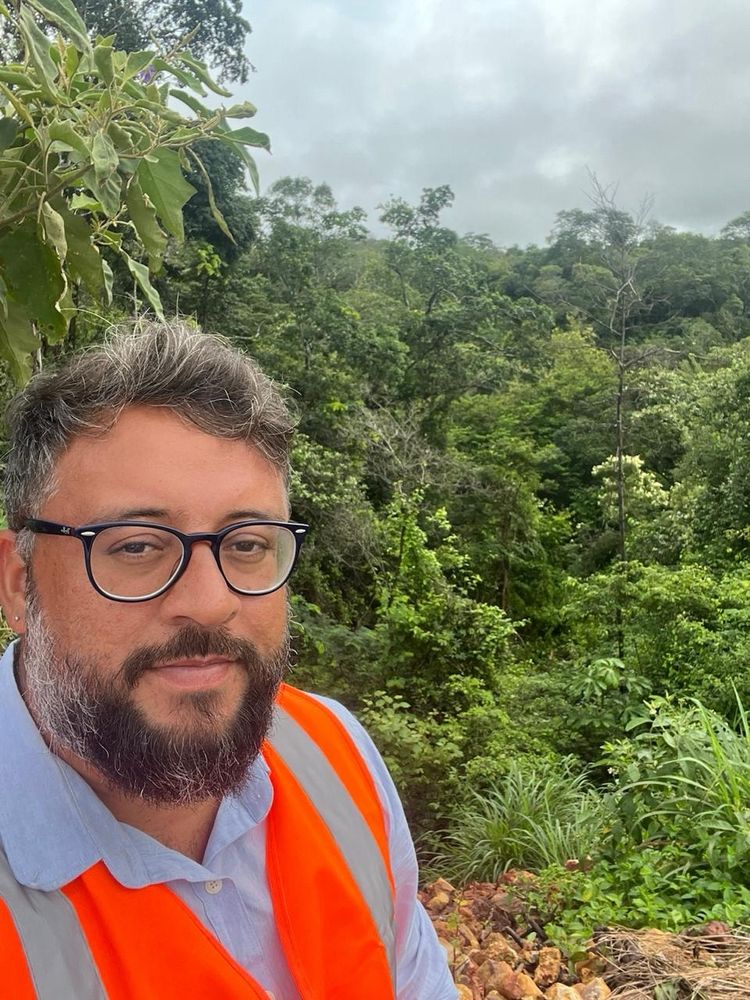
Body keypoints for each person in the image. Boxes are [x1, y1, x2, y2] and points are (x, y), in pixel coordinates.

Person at [0, 322, 457, 1000]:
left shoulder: (335, 753)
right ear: (18, 583)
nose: (211, 603)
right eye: (136, 546)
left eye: (246, 544)